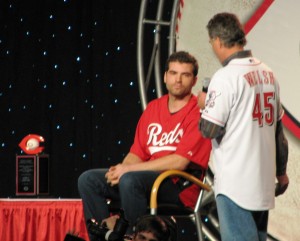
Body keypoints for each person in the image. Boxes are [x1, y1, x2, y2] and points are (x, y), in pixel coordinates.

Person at [78, 51, 212, 241]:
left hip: (178, 185)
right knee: (89, 179)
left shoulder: (199, 112)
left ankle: (134, 237)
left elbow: (180, 161)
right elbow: (137, 152)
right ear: (165, 76)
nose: (178, 80)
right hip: (142, 180)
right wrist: (121, 169)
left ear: (194, 80)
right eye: (173, 73)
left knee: (130, 180)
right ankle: (106, 237)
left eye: (185, 75)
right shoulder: (153, 108)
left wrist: (129, 171)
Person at [198, 12, 289, 241]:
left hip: (235, 185)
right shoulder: (268, 72)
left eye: (211, 43)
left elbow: (209, 130)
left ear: (218, 40)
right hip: (262, 183)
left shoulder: (226, 77)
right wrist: (281, 172)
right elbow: (279, 133)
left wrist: (204, 104)